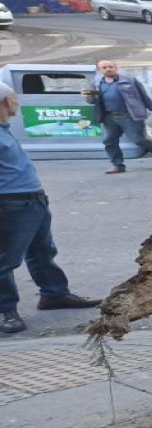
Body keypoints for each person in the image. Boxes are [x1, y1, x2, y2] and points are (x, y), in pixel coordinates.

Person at [1, 81, 101, 334]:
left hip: (33, 201)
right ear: (5, 102)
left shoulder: (4, 129)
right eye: (14, 98)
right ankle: (5, 311)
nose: (17, 103)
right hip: (11, 204)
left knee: (42, 251)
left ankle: (54, 294)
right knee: (6, 259)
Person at [82, 60, 152, 175]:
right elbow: (93, 101)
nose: (108, 69)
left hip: (130, 116)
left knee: (138, 140)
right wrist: (88, 97)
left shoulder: (130, 81)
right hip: (109, 117)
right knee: (109, 141)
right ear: (99, 70)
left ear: (116, 67)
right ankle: (118, 165)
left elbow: (145, 98)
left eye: (110, 66)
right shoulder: (96, 83)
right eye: (104, 67)